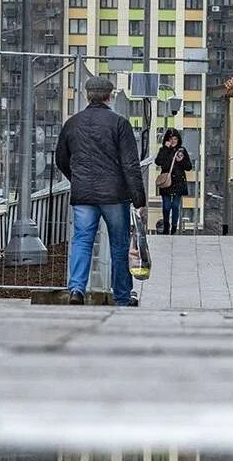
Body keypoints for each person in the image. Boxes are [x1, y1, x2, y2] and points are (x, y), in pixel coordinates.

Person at [55, 77, 146, 307]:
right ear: (109, 96)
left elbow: (61, 159)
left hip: (83, 194)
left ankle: (76, 289)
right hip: (115, 195)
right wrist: (139, 200)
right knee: (119, 244)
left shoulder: (72, 123)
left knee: (82, 241)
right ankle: (122, 297)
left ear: (87, 95)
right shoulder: (119, 123)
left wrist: (78, 180)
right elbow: (130, 165)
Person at [154, 128, 193, 235]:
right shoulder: (163, 150)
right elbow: (158, 162)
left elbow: (189, 167)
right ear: (167, 139)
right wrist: (165, 149)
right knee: (166, 205)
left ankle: (174, 227)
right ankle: (166, 224)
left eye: (175, 139)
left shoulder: (181, 150)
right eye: (171, 139)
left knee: (175, 206)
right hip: (166, 181)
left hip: (178, 182)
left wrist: (181, 161)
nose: (173, 141)